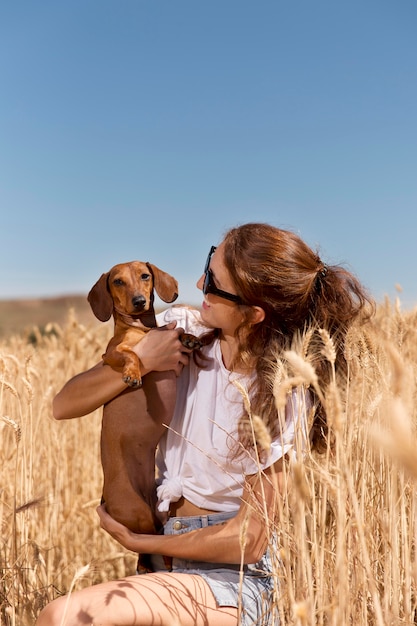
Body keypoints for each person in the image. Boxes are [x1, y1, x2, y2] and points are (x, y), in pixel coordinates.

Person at [36, 222, 373, 626]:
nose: (197, 282)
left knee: (66, 616)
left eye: (212, 280)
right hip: (167, 564)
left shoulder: (281, 392)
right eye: (206, 264)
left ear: (252, 313)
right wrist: (142, 361)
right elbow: (63, 404)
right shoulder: (181, 329)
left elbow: (250, 540)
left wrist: (141, 541)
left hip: (233, 579)